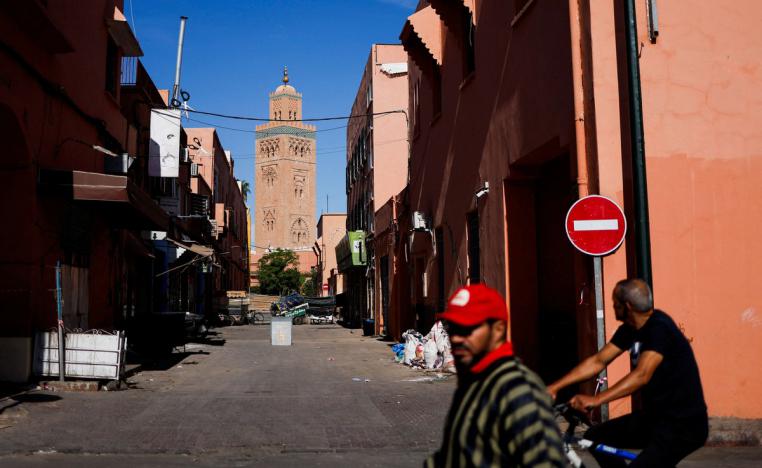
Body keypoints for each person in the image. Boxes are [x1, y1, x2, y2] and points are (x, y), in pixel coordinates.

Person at [546, 278, 708, 467]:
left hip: (682, 426)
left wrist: (597, 400)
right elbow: (598, 361)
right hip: (654, 419)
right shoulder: (630, 329)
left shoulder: (659, 328)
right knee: (597, 438)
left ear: (627, 306)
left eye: (615, 303)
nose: (613, 307)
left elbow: (641, 375)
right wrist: (554, 387)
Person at [426, 284, 565, 468]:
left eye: (468, 329)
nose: (457, 338)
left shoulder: (517, 389)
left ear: (498, 329)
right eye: (454, 329)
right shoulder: (475, 380)